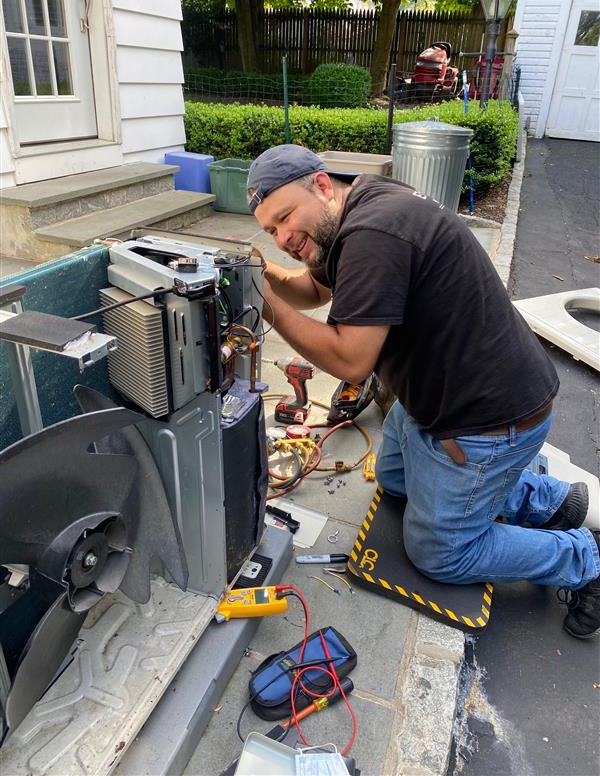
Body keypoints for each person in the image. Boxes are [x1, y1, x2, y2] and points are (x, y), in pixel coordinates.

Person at [247, 143, 600, 639]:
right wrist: (260, 275)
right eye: (271, 231)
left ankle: (584, 558)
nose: (283, 237)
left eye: (285, 218)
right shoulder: (358, 206)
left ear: (322, 184)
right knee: (395, 481)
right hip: (441, 398)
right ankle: (550, 502)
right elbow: (315, 290)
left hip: (484, 421)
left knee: (439, 551)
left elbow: (351, 360)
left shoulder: (373, 233)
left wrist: (268, 308)